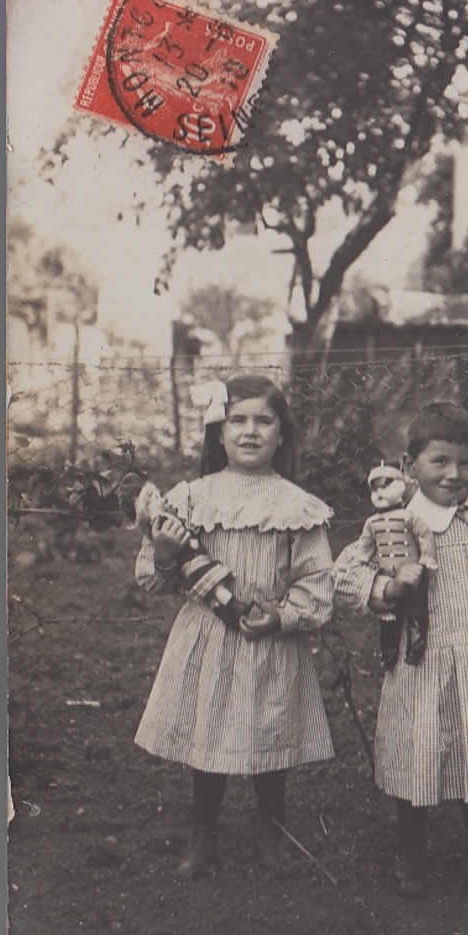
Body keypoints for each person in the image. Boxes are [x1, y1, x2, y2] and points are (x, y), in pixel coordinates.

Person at [333, 402, 468, 904]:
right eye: (440, 462)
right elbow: (342, 575)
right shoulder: (390, 528)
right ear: (410, 467)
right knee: (417, 762)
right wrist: (386, 587)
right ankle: (412, 857)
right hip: (420, 669)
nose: (455, 474)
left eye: (467, 463)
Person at [134, 374, 335, 879]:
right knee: (210, 731)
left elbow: (317, 582)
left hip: (267, 638)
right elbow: (151, 579)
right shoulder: (190, 498)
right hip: (209, 638)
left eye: (263, 421)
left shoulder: (297, 505)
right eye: (237, 420)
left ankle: (274, 831)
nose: (250, 431)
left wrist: (284, 615)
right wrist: (162, 552)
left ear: (282, 433)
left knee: (270, 726)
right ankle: (204, 836)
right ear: (218, 433)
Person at [350, 463, 438, 669]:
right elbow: (365, 544)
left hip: (413, 574)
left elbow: (425, 536)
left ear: (399, 486)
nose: (379, 493)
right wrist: (360, 560)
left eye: (385, 486)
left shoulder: (410, 516)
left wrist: (426, 560)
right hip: (387, 578)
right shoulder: (372, 523)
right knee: (388, 619)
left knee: (417, 614)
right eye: (375, 489)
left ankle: (415, 651)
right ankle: (388, 656)